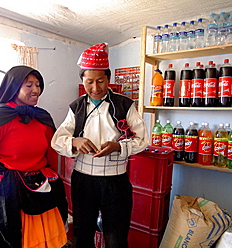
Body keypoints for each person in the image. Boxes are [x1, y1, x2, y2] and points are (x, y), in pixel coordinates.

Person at [0, 65, 68, 248]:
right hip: (7, 192)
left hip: (40, 188)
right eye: (29, 85)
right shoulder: (2, 115)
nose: (36, 90)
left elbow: (51, 154)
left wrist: (51, 177)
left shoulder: (42, 117)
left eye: (38, 85)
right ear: (14, 87)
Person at [51, 43, 148, 248]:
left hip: (116, 181)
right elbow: (57, 141)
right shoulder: (77, 107)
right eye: (89, 82)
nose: (96, 88)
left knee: (116, 237)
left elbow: (143, 140)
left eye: (101, 81)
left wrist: (118, 147)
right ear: (83, 81)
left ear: (109, 79)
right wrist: (74, 142)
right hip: (83, 181)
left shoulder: (124, 105)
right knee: (83, 233)